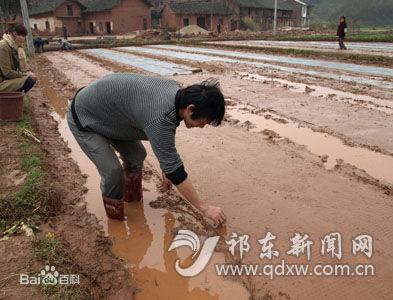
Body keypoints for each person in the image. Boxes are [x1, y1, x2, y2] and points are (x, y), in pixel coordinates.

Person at [67, 74, 227, 225]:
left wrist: (166, 166)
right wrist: (204, 208)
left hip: (110, 116)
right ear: (190, 109)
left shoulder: (176, 92)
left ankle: (132, 199)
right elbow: (174, 168)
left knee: (137, 155)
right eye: (203, 122)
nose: (202, 126)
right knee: (113, 172)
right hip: (84, 118)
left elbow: (164, 141)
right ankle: (115, 218)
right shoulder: (161, 117)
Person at [0, 24, 36, 93]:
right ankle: (9, 100)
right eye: (22, 36)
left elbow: (19, 66)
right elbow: (7, 72)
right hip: (2, 81)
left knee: (31, 77)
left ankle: (15, 100)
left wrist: (27, 70)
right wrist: (25, 74)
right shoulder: (3, 46)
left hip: (6, 79)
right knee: (29, 80)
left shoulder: (15, 47)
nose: (24, 39)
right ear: (15, 34)